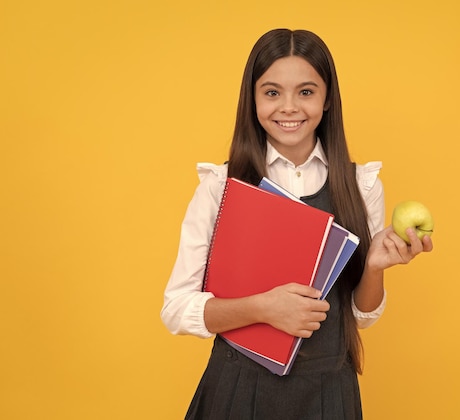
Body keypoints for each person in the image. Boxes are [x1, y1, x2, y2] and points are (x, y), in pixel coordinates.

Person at [161, 28, 434, 420]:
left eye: (306, 92)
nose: (289, 107)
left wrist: (374, 267)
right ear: (252, 99)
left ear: (326, 101)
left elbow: (361, 315)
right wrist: (262, 308)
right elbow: (177, 308)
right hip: (237, 392)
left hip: (328, 393)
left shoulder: (361, 185)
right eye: (272, 92)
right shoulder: (220, 187)